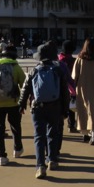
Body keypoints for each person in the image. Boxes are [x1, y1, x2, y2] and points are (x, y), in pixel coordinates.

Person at [19, 42, 69, 179]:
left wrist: (21, 105)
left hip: (37, 107)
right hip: (55, 106)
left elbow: (25, 89)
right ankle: (52, 160)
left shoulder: (34, 70)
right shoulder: (58, 70)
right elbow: (65, 92)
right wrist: (65, 109)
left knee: (39, 137)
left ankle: (40, 166)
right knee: (52, 133)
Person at [0, 44, 26, 166]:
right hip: (13, 103)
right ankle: (17, 149)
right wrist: (23, 102)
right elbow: (24, 84)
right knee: (15, 126)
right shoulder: (16, 67)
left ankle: (2, 156)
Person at [71, 37, 94, 145]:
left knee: (83, 111)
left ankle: (84, 133)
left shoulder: (79, 59)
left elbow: (74, 76)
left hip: (82, 89)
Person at [58, 40, 78, 134]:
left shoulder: (59, 59)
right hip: (71, 87)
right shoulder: (73, 60)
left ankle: (59, 125)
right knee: (71, 108)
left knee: (61, 107)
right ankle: (71, 125)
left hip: (59, 88)